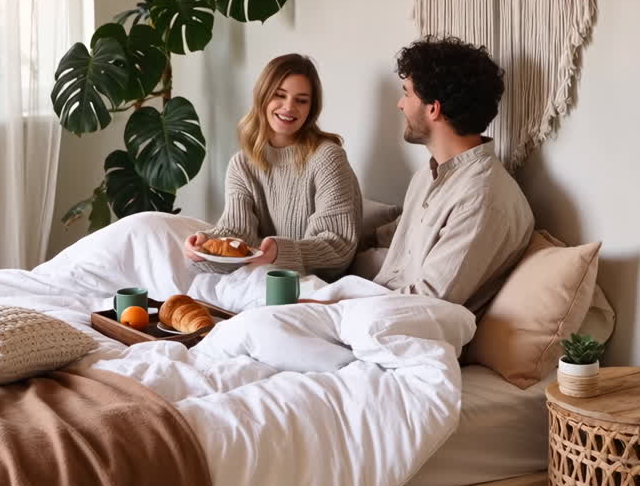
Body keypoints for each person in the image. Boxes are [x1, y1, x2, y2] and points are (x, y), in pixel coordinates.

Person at [368, 36, 534, 314]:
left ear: (434, 108)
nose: (400, 104)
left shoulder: (483, 198)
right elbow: (393, 238)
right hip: (374, 307)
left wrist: (341, 308)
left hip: (402, 330)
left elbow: (428, 302)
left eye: (407, 93)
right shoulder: (427, 175)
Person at [184, 54, 362, 279]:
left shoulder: (327, 158)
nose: (289, 107)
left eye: (301, 100)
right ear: (263, 97)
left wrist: (280, 252)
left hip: (311, 283)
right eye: (280, 95)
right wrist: (205, 245)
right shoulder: (242, 164)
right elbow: (237, 233)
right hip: (260, 278)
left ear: (311, 108)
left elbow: (338, 247)